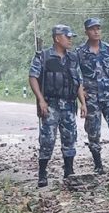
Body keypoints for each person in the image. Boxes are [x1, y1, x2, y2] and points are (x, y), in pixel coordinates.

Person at [28, 24, 86, 187]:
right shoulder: (43, 56)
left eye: (70, 37)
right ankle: (42, 173)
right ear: (57, 38)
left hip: (68, 104)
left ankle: (69, 171)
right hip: (50, 104)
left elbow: (78, 81)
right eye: (67, 37)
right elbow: (33, 77)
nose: (70, 40)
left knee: (70, 138)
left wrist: (83, 103)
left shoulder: (73, 58)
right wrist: (41, 100)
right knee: (47, 139)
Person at [78, 18, 109, 173]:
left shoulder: (108, 49)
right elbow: (76, 74)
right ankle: (98, 164)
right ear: (86, 32)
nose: (96, 31)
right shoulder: (80, 52)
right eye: (93, 29)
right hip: (91, 97)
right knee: (93, 130)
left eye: (98, 28)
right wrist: (80, 92)